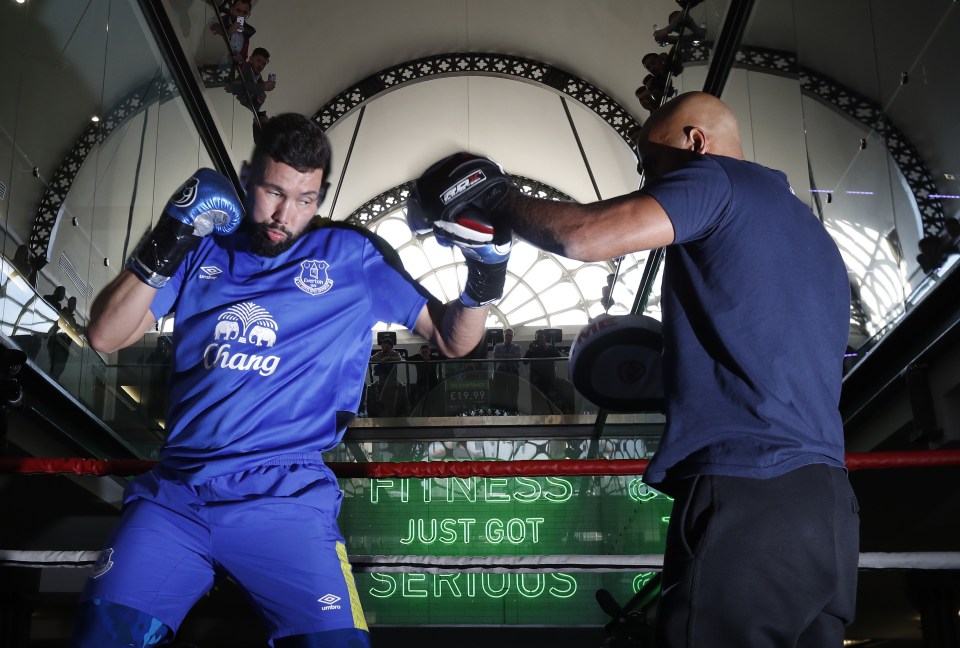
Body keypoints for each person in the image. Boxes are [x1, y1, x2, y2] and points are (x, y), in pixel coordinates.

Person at [410, 92, 858, 647]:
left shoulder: (716, 180)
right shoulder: (808, 231)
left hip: (749, 489)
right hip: (828, 507)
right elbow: (753, 353)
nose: (650, 182)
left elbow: (584, 236)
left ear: (695, 142)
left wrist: (498, 198)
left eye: (653, 163)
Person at [70, 113, 510, 647]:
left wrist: (485, 276)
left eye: (306, 199)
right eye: (274, 192)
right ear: (247, 174)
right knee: (101, 637)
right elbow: (104, 336)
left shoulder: (352, 257)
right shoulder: (203, 247)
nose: (286, 215)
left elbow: (453, 340)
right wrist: (172, 233)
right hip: (176, 496)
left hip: (285, 497)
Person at [227, 46, 276, 118]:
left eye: (264, 64)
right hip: (230, 108)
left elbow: (254, 109)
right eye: (259, 61)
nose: (261, 66)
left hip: (240, 114)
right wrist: (263, 87)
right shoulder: (243, 67)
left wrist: (259, 100)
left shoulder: (259, 79)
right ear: (250, 59)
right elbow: (236, 86)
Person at [208, 0, 255, 67]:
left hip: (227, 72)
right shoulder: (217, 22)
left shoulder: (246, 33)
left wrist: (240, 60)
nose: (240, 15)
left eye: (244, 13)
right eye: (238, 11)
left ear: (248, 15)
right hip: (209, 66)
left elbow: (243, 59)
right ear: (231, 10)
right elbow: (208, 44)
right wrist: (228, 33)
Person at [491, 328, 522, 412]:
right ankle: (500, 413)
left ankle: (514, 413)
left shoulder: (517, 347)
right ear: (503, 336)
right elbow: (496, 356)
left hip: (513, 373)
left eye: (510, 335)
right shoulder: (497, 346)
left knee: (514, 395)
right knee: (500, 394)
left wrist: (503, 355)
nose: (508, 337)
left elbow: (517, 357)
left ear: (513, 336)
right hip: (500, 373)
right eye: (507, 335)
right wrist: (510, 355)